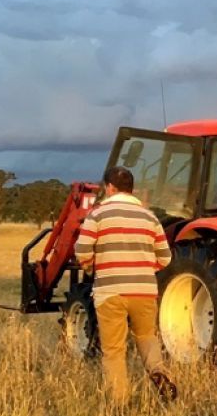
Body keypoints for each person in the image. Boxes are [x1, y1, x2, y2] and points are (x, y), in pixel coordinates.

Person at [74, 166, 177, 403]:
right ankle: (158, 372)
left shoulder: (98, 214)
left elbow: (81, 250)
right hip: (144, 291)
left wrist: (92, 267)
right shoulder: (149, 217)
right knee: (146, 337)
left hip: (110, 292)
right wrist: (142, 270)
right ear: (133, 189)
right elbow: (165, 258)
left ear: (110, 188)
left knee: (114, 350)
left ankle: (120, 401)